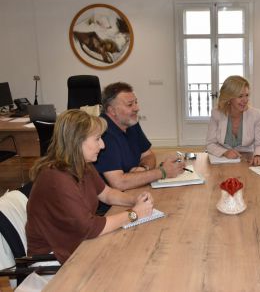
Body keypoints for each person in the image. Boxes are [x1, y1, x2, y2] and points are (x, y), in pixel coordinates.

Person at [26, 110, 154, 264]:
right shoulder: (56, 178)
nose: (103, 145)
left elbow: (106, 194)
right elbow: (90, 228)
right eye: (97, 139)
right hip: (54, 259)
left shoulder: (82, 164)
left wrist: (135, 200)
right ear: (77, 141)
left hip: (78, 244)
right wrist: (134, 214)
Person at [94, 82, 184, 191]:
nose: (137, 108)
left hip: (134, 189)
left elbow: (148, 155)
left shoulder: (130, 122)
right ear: (112, 110)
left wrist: (143, 168)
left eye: (136, 102)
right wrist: (162, 172)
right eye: (130, 104)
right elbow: (119, 183)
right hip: (112, 204)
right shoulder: (102, 133)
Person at [206, 75, 260, 166]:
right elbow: (210, 144)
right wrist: (225, 152)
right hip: (222, 159)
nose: (245, 100)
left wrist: (259, 155)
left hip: (247, 159)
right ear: (229, 98)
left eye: (246, 95)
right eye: (240, 96)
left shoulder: (256, 114)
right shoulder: (217, 113)